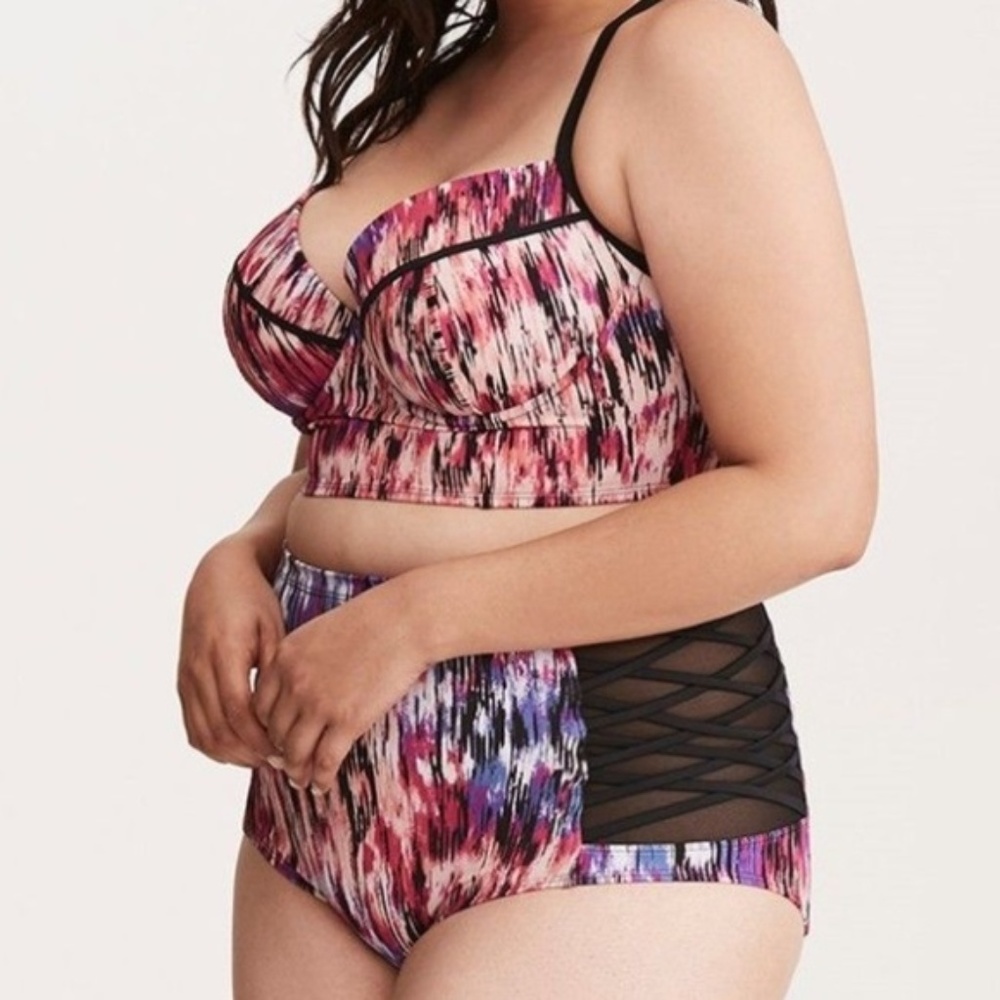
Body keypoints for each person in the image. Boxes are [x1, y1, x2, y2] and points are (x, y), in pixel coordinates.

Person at [177, 0, 877, 996]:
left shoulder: (691, 52)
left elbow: (812, 500)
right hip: (319, 812)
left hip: (611, 804)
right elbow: (389, 444)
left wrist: (414, 621)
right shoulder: (441, 79)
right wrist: (246, 552)